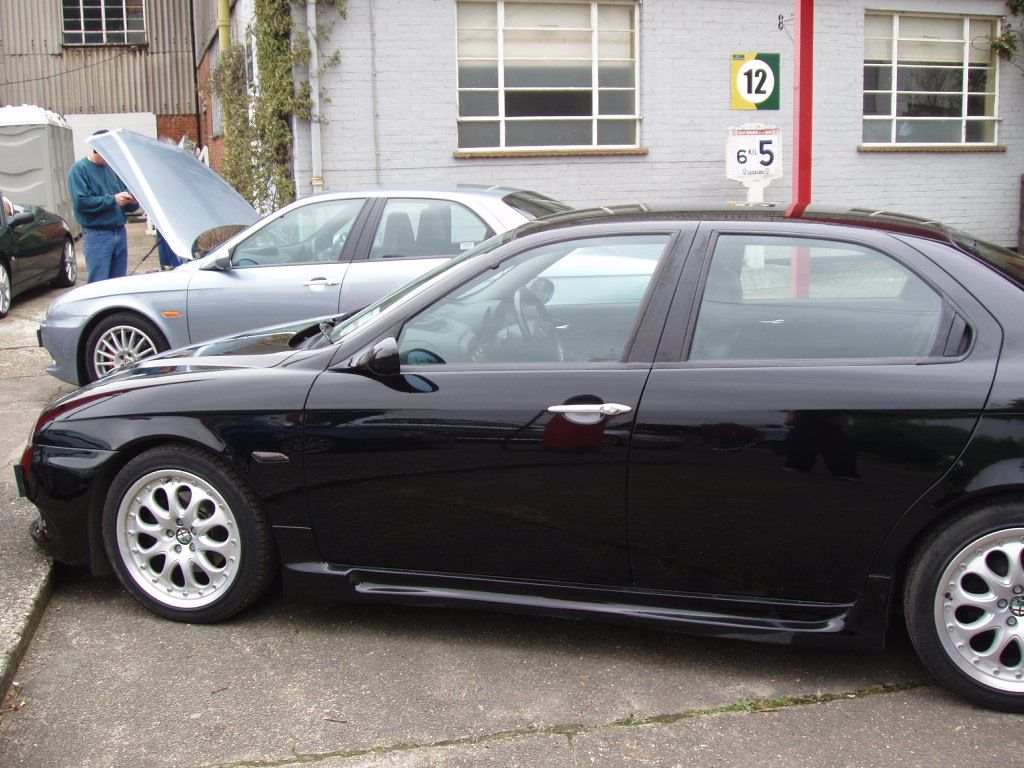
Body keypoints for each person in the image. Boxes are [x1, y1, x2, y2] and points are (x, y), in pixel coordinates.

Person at [67, 130, 138, 282]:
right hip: (98, 234)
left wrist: (132, 201)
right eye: (107, 153)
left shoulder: (113, 169)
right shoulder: (79, 170)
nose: (110, 158)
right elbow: (82, 202)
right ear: (96, 150)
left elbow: (126, 202)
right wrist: (113, 200)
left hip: (119, 231)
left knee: (119, 282)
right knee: (98, 284)